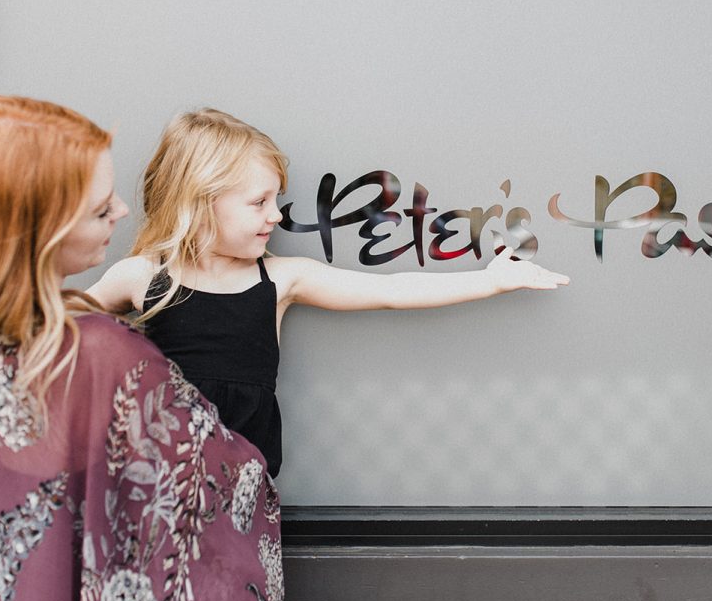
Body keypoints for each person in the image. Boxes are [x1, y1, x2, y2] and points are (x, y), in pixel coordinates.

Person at [0, 97, 282, 601]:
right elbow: (230, 487)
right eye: (101, 209)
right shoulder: (100, 354)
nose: (124, 211)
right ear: (41, 228)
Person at [87, 108, 570, 477]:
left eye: (275, 199)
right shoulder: (142, 276)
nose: (275, 215)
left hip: (242, 487)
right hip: (153, 482)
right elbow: (63, 327)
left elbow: (391, 290)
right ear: (198, 204)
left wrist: (488, 280)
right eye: (258, 202)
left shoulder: (279, 279)